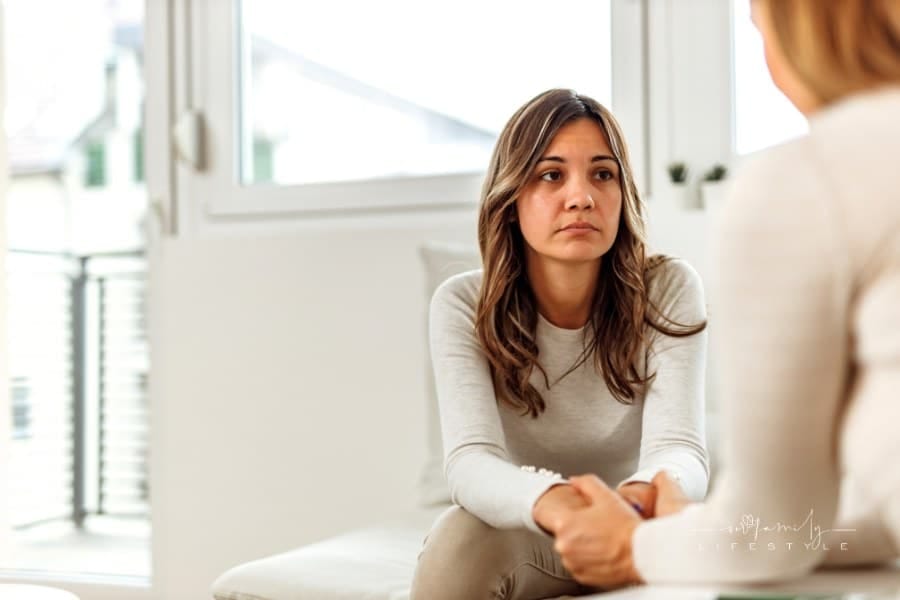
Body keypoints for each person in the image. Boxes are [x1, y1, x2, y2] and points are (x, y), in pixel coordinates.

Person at [552, 0, 900, 588]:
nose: (580, 197)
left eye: (761, 26)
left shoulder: (811, 178)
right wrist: (695, 530)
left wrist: (633, 545)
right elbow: (877, 525)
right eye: (551, 174)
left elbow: (767, 531)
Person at [409, 88, 710, 600]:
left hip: (639, 531)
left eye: (602, 173)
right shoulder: (461, 303)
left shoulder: (669, 289)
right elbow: (470, 462)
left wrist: (635, 503)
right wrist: (557, 503)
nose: (581, 197)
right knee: (459, 536)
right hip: (533, 531)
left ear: (622, 194)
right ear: (510, 199)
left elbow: (679, 450)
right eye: (551, 175)